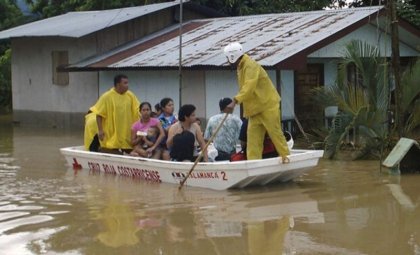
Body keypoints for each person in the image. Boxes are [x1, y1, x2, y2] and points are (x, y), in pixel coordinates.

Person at [223, 42, 290, 163]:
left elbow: (249, 87)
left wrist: (235, 101)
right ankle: (254, 164)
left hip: (267, 106)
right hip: (254, 110)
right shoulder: (241, 67)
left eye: (227, 57)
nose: (227, 60)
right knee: (253, 141)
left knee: (276, 135)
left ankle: (287, 158)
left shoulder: (251, 66)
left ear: (232, 56)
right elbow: (247, 89)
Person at [90, 74, 140, 154]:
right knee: (111, 147)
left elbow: (137, 109)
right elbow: (99, 114)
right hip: (111, 129)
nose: (128, 85)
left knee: (128, 146)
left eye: (127, 83)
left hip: (126, 129)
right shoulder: (106, 96)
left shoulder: (130, 95)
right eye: (125, 83)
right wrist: (100, 130)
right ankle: (103, 150)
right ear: (118, 84)